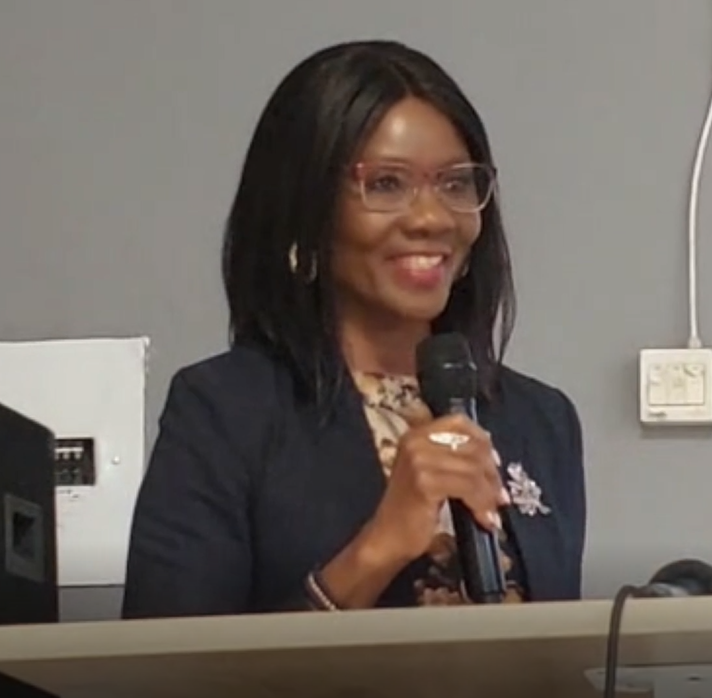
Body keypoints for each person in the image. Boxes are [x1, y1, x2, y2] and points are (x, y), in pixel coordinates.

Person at [121, 39, 586, 618]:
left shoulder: (541, 420)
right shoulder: (227, 411)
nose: (431, 217)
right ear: (304, 209)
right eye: (386, 183)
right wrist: (378, 548)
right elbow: (168, 660)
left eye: (455, 183)